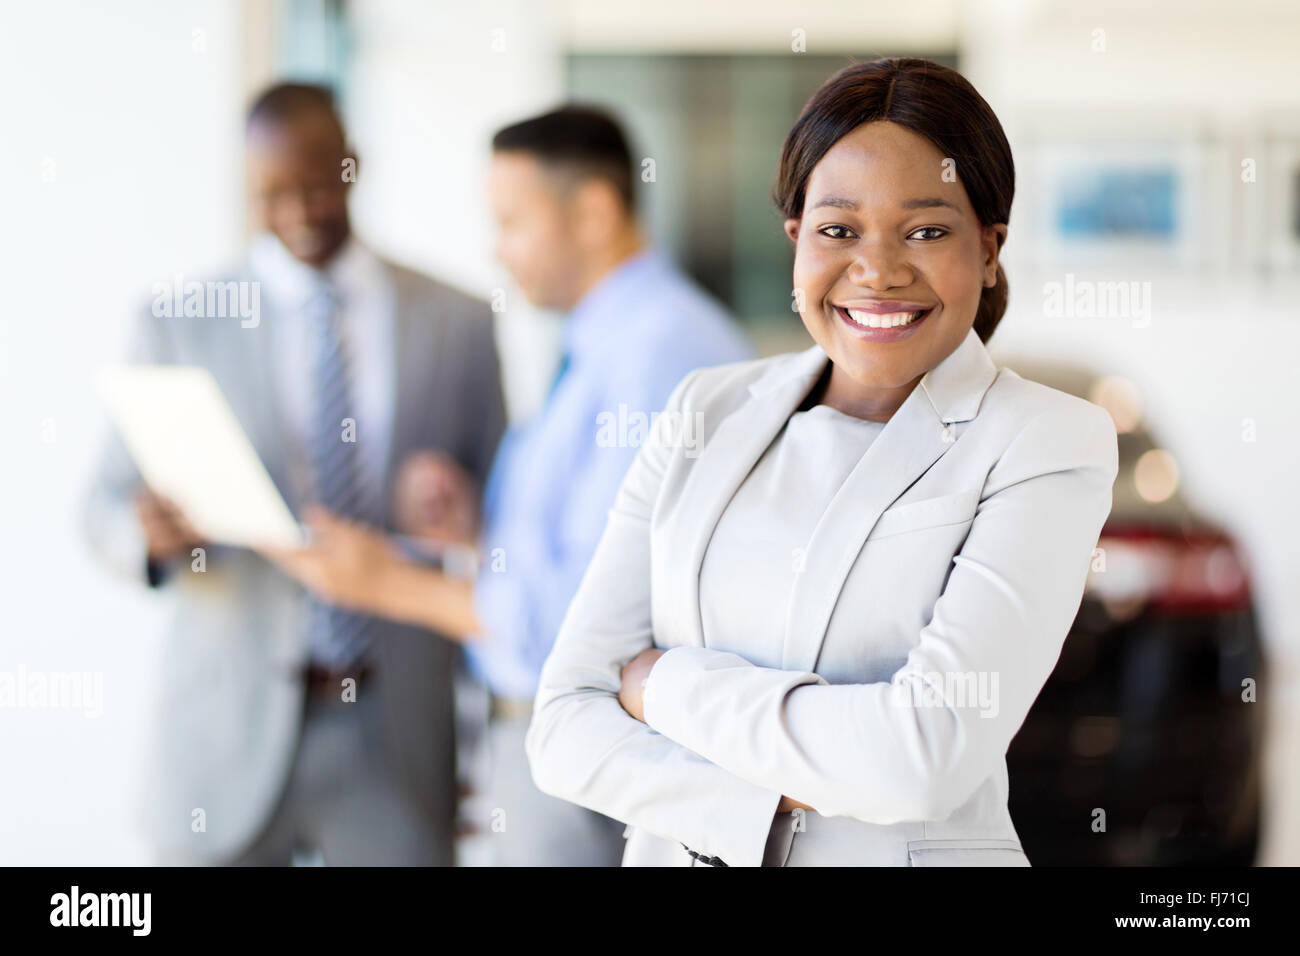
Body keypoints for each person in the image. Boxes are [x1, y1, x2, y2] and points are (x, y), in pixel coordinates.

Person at [523, 58, 1120, 867]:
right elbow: (562, 724)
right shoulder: (706, 409)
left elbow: (922, 759)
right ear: (797, 239)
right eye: (839, 229)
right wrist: (770, 800)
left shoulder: (1045, 441)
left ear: (989, 248)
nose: (878, 270)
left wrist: (660, 689)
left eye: (926, 230)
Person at [263, 105, 753, 865]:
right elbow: (591, 556)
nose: (498, 253)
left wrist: (385, 585)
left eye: (512, 222)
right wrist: (471, 530)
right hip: (556, 754)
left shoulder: (658, 355)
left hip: (590, 763)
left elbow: (576, 617)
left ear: (591, 213)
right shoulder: (608, 342)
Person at [84, 82, 506, 866]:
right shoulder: (178, 320)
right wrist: (144, 537)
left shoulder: (457, 321)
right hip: (223, 734)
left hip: (395, 731)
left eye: (316, 185)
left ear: (353, 167)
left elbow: (503, 509)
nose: (298, 212)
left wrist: (461, 508)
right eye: (271, 194)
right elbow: (102, 507)